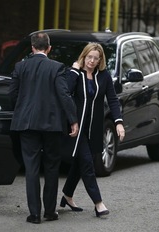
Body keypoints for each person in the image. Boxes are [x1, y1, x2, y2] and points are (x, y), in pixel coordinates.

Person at [9, 32, 79, 224]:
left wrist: (22, 110)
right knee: (51, 167)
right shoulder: (57, 68)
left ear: (32, 47)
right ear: (49, 48)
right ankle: (50, 211)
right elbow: (64, 95)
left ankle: (34, 214)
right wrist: (73, 120)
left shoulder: (20, 66)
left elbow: (12, 94)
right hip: (51, 124)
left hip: (27, 124)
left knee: (31, 168)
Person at [60, 43, 125, 218]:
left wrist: (118, 122)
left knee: (80, 164)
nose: (92, 61)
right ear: (84, 56)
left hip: (93, 129)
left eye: (96, 58)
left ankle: (67, 195)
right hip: (76, 127)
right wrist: (74, 71)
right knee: (87, 163)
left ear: (100, 60)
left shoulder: (103, 76)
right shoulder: (75, 72)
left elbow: (112, 100)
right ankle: (98, 203)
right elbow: (64, 91)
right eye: (89, 57)